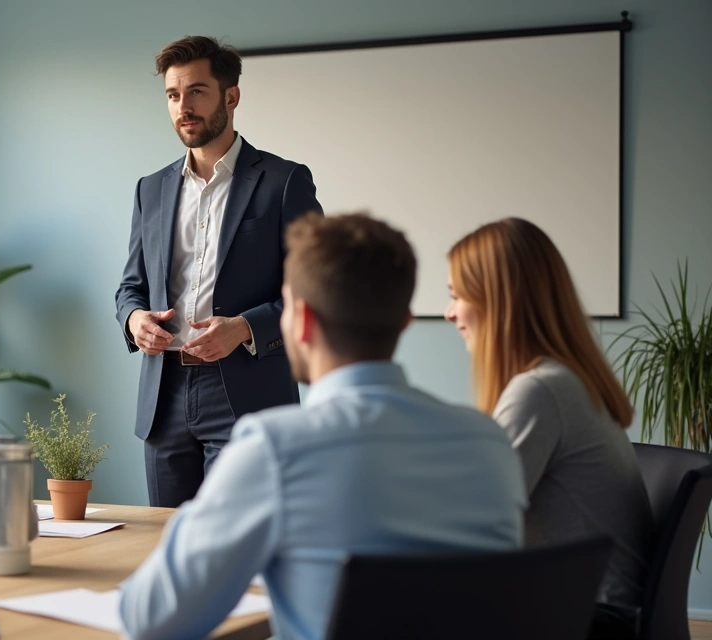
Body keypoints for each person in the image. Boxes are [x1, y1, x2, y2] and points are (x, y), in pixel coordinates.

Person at [119, 213, 526, 640]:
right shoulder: (490, 445)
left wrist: (202, 519)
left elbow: (151, 620)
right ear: (404, 320)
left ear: (303, 322)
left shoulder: (274, 450)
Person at [115, 35, 323, 508]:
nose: (182, 107)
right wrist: (134, 320)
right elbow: (131, 286)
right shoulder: (151, 189)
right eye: (172, 95)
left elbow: (313, 291)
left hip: (245, 393)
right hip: (163, 394)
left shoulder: (285, 182)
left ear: (231, 97)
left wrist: (245, 328)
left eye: (196, 92)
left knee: (243, 546)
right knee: (165, 545)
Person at [445, 217, 652, 637]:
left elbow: (476, 524)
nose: (450, 313)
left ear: (499, 300)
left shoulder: (540, 391)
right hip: (593, 609)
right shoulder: (564, 380)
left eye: (456, 296)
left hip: (588, 620)